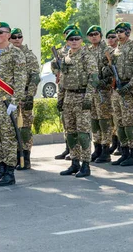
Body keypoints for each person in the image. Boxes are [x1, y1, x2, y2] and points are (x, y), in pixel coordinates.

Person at [0, 22, 26, 186]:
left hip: (6, 101)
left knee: (8, 137)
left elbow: (21, 79)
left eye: (0, 32)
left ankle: (10, 172)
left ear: (8, 35)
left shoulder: (16, 54)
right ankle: (1, 169)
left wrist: (15, 102)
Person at [57, 29, 94, 177]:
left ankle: (85, 164)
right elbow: (62, 81)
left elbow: (93, 79)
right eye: (71, 39)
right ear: (67, 41)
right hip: (68, 98)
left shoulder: (87, 57)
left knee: (83, 133)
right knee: (70, 133)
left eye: (77, 39)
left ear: (81, 41)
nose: (74, 41)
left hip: (82, 96)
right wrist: (60, 99)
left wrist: (88, 98)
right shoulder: (66, 57)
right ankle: (74, 162)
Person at [107, 22, 133, 167]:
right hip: (117, 90)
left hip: (128, 90)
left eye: (121, 31)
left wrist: (128, 86)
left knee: (128, 124)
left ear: (128, 33)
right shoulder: (116, 50)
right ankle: (125, 151)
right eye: (117, 32)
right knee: (119, 123)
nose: (118, 34)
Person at [9, 28, 41, 170]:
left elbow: (35, 77)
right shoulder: (5, 54)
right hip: (8, 97)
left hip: (24, 97)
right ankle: (14, 157)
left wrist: (29, 95)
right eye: (13, 37)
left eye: (19, 37)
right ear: (9, 39)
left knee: (25, 129)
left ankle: (25, 158)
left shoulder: (29, 55)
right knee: (10, 128)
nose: (16, 39)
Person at [86, 25, 115, 163]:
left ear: (100, 35)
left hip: (104, 90)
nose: (93, 36)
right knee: (94, 120)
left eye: (96, 34)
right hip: (92, 90)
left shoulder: (108, 50)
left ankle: (105, 149)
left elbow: (113, 71)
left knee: (104, 121)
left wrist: (103, 82)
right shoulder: (87, 51)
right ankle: (96, 147)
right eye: (91, 34)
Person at [53, 24, 80, 161]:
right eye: (69, 34)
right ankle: (68, 148)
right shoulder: (61, 52)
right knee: (67, 121)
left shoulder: (82, 52)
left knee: (79, 125)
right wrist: (57, 71)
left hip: (78, 91)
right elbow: (54, 66)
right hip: (64, 89)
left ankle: (78, 151)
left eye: (75, 35)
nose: (72, 39)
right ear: (65, 37)